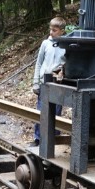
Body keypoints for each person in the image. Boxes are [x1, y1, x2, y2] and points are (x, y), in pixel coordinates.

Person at [31, 17, 67, 146]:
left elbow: (67, 64)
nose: (51, 32)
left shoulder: (66, 46)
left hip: (58, 84)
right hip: (43, 82)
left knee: (56, 113)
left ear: (62, 31)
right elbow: (39, 63)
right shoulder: (45, 43)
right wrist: (36, 82)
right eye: (50, 29)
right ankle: (38, 139)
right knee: (41, 111)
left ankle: (53, 140)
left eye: (55, 30)